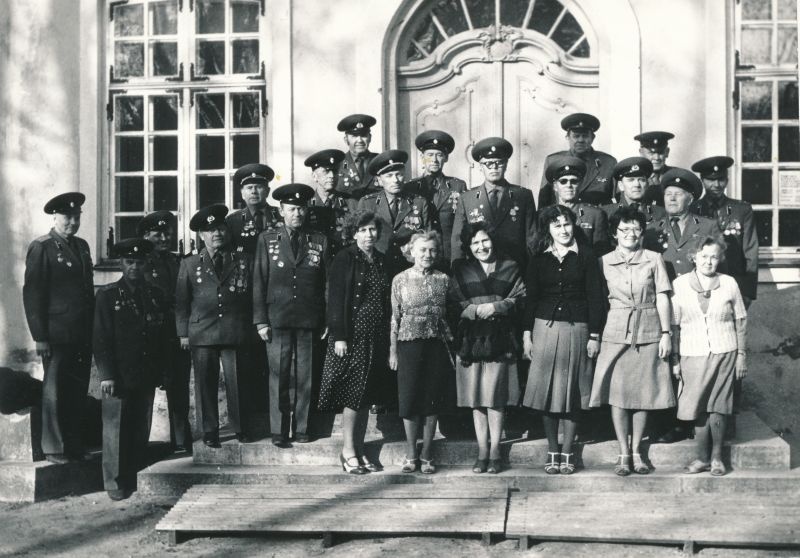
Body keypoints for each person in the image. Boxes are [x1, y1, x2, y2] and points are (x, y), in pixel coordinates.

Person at [590, 206, 675, 476]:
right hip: (615, 331)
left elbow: (662, 296)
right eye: (624, 229)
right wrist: (595, 335)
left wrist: (666, 334)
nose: (630, 233)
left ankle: (637, 451)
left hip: (648, 330)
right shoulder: (603, 262)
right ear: (614, 233)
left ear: (642, 233)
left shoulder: (654, 259)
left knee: (642, 393)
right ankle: (623, 451)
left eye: (636, 229)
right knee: (618, 394)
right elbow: (597, 302)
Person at [522, 206, 605, 474]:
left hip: (577, 329)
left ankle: (567, 449)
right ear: (548, 229)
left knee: (572, 392)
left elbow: (595, 297)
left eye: (567, 223)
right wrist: (526, 334)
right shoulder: (538, 257)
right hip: (544, 328)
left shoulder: (586, 256)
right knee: (547, 392)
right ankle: (552, 449)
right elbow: (531, 298)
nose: (563, 230)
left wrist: (594, 334)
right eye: (557, 225)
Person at [643, 168, 721, 443]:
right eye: (668, 194)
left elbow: (718, 263)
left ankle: (692, 421)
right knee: (666, 362)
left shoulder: (707, 226)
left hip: (696, 304)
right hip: (663, 304)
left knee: (692, 362)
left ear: (691, 198)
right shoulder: (652, 228)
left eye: (678, 194)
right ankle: (667, 422)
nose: (672, 199)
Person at [94, 238, 171, 500]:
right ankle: (115, 483)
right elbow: (101, 338)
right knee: (115, 430)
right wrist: (106, 374)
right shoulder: (107, 295)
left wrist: (162, 372)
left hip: (146, 373)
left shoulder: (155, 294)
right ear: (121, 263)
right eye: (129, 262)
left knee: (140, 427)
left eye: (139, 262)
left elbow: (162, 338)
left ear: (147, 263)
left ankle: (134, 475)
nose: (134, 267)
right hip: (118, 375)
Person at [253, 184, 330, 447]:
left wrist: (326, 319)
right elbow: (259, 280)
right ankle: (278, 430)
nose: (298, 213)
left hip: (309, 318)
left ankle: (302, 428)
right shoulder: (267, 239)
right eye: (292, 209)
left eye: (301, 209)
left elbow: (326, 282)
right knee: (279, 375)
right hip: (277, 318)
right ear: (282, 211)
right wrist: (261, 320)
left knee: (306, 375)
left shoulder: (318, 240)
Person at [23, 192, 94, 464]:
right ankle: (53, 447)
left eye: (76, 217)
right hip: (56, 334)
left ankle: (74, 445)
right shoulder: (42, 247)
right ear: (55, 217)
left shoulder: (82, 246)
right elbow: (33, 295)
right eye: (67, 217)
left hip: (81, 332)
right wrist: (40, 336)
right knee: (54, 391)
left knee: (77, 390)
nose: (72, 222)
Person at [318, 210, 391, 474]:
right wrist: (339, 336)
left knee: (367, 395)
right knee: (353, 393)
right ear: (353, 233)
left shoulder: (381, 259)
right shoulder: (345, 257)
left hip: (376, 335)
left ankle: (359, 450)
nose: (368, 235)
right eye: (362, 230)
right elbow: (335, 299)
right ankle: (348, 451)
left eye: (372, 229)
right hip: (352, 335)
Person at [448, 224, 524, 474]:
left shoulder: (510, 267)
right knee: (476, 399)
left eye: (485, 241)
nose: (481, 247)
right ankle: (482, 451)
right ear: (469, 247)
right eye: (475, 243)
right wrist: (472, 310)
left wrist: (497, 307)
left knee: (495, 397)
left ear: (493, 241)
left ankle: (495, 452)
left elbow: (520, 297)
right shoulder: (461, 269)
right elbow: (452, 301)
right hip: (470, 340)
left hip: (500, 339)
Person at [176, 204, 253, 448]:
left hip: (234, 329)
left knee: (238, 381)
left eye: (220, 229)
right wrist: (183, 333)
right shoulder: (189, 263)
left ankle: (241, 427)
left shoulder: (242, 259)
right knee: (205, 384)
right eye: (210, 231)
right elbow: (182, 302)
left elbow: (251, 295)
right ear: (201, 235)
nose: (217, 234)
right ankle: (209, 431)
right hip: (202, 332)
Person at [671, 235, 747, 477]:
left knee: (719, 407)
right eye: (704, 256)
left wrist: (741, 355)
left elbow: (740, 321)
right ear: (694, 257)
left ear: (720, 258)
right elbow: (674, 326)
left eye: (714, 257)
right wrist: (675, 359)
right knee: (698, 408)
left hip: (725, 352)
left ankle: (716, 459)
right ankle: (702, 458)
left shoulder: (729, 283)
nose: (708, 261)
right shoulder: (680, 284)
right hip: (692, 354)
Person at [389, 231, 453, 474]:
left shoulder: (444, 279)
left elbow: (449, 316)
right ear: (412, 251)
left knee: (431, 399)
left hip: (436, 344)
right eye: (423, 250)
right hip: (408, 344)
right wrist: (393, 350)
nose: (428, 254)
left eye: (432, 250)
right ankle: (410, 453)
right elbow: (394, 318)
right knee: (409, 398)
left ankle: (427, 453)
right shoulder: (400, 279)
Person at [139, 210, 192, 454]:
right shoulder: (140, 263)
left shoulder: (176, 261)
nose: (164, 238)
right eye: (157, 234)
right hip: (151, 336)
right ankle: (140, 444)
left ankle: (181, 441)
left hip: (176, 334)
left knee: (179, 388)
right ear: (146, 236)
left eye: (167, 233)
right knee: (146, 391)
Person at [451, 137, 536, 267]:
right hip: (477, 270)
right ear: (481, 166)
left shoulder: (523, 196)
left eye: (499, 162)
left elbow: (532, 239)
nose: (494, 168)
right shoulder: (467, 198)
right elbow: (458, 241)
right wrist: (458, 270)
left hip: (515, 268)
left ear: (506, 164)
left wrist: (532, 271)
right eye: (488, 164)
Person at [690, 156, 758, 307]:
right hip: (700, 284)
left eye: (720, 179)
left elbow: (750, 251)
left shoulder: (742, 210)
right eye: (710, 180)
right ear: (702, 180)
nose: (716, 184)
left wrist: (748, 291)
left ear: (727, 180)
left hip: (734, 282)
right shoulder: (693, 210)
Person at [357, 149, 434, 279]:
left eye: (399, 174)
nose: (396, 180)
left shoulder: (419, 203)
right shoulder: (367, 203)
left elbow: (428, 239)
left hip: (410, 270)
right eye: (389, 176)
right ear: (379, 180)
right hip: (376, 270)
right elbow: (359, 242)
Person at [405, 130, 467, 263]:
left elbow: (463, 225)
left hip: (450, 255)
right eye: (430, 155)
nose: (434, 160)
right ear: (422, 157)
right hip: (421, 256)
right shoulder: (410, 187)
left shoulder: (458, 186)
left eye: (439, 155)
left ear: (446, 158)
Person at [538, 113, 617, 207]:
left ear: (592, 138)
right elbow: (544, 201)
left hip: (597, 215)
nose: (580, 140)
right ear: (567, 137)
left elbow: (616, 199)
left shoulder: (608, 163)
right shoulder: (553, 161)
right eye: (576, 136)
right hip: (562, 215)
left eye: (585, 136)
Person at [544, 155, 610, 254]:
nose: (569, 185)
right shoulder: (544, 215)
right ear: (555, 186)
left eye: (573, 181)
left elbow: (601, 252)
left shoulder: (595, 215)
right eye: (563, 181)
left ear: (580, 184)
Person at [305, 149, 358, 256]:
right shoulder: (306, 205)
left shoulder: (351, 203)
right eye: (326, 171)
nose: (332, 175)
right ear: (314, 176)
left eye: (335, 171)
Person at [226, 163, 281, 255]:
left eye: (258, 187)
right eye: (249, 188)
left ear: (267, 191)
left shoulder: (281, 215)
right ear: (242, 193)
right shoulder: (232, 221)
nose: (253, 192)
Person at [601, 156, 667, 226]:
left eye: (642, 180)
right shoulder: (606, 212)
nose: (637, 184)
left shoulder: (661, 213)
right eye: (631, 180)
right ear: (621, 185)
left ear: (647, 184)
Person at [335, 114, 379, 199]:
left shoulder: (380, 162)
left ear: (370, 138)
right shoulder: (337, 165)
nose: (359, 140)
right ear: (346, 140)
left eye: (363, 135)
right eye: (354, 136)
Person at [635, 131, 675, 207]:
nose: (656, 158)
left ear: (667, 152)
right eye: (651, 153)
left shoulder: (676, 175)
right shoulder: (634, 178)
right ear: (641, 152)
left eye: (660, 152)